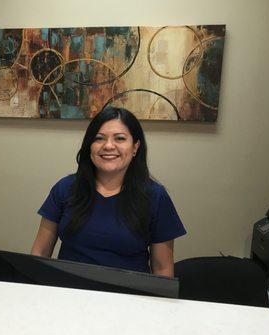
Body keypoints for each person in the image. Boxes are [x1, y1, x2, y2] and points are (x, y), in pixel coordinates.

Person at [31, 106, 186, 277]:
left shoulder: (155, 197)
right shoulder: (65, 188)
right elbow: (40, 253)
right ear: (89, 146)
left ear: (135, 147)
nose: (108, 146)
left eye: (120, 138)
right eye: (99, 138)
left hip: (128, 297)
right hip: (69, 294)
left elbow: (162, 269)